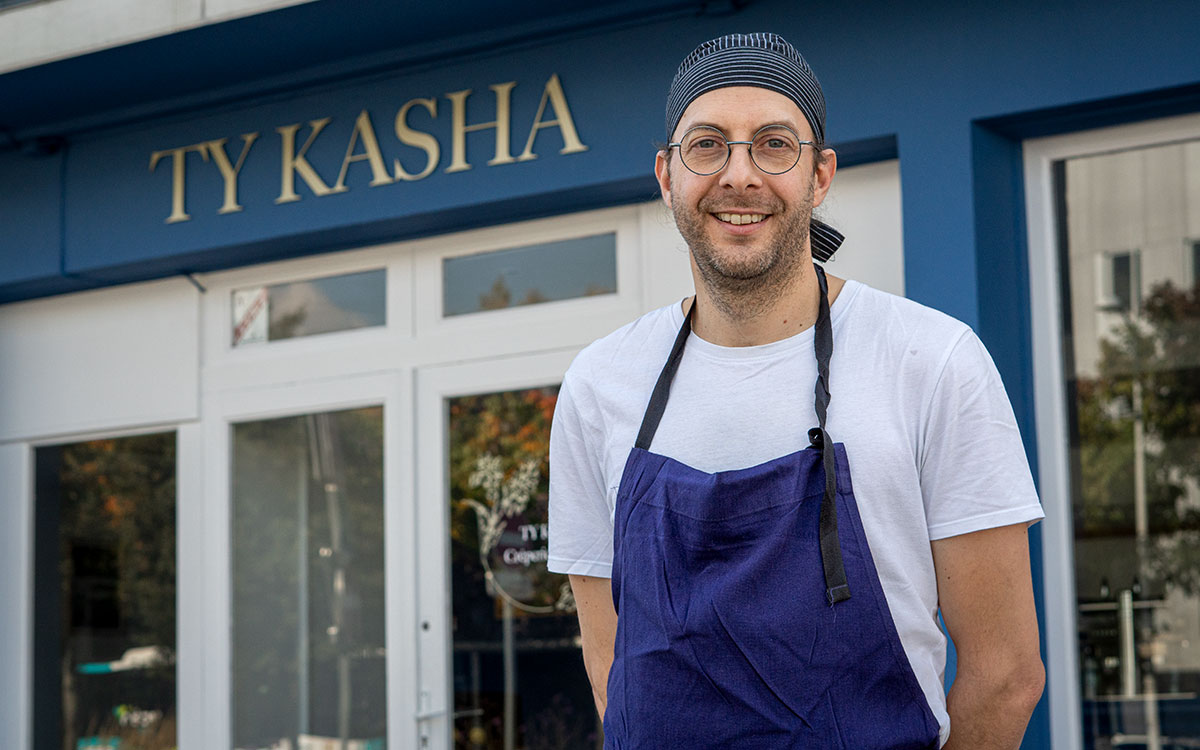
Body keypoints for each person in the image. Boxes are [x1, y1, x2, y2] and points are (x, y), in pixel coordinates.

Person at [547, 32, 1045, 749]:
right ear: (666, 175)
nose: (739, 175)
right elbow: (610, 665)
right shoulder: (599, 384)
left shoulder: (933, 360)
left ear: (819, 176)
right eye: (707, 145)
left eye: (774, 145)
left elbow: (1006, 674)